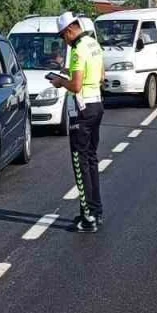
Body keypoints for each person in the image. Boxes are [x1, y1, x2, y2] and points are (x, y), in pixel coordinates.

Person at [49, 12, 104, 233]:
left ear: (70, 30)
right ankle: (96, 211)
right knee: (91, 159)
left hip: (82, 110)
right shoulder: (93, 44)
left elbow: (76, 86)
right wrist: (69, 73)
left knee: (80, 164)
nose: (64, 40)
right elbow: (100, 76)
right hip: (97, 105)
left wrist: (60, 81)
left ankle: (87, 218)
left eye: (63, 36)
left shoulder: (77, 49)